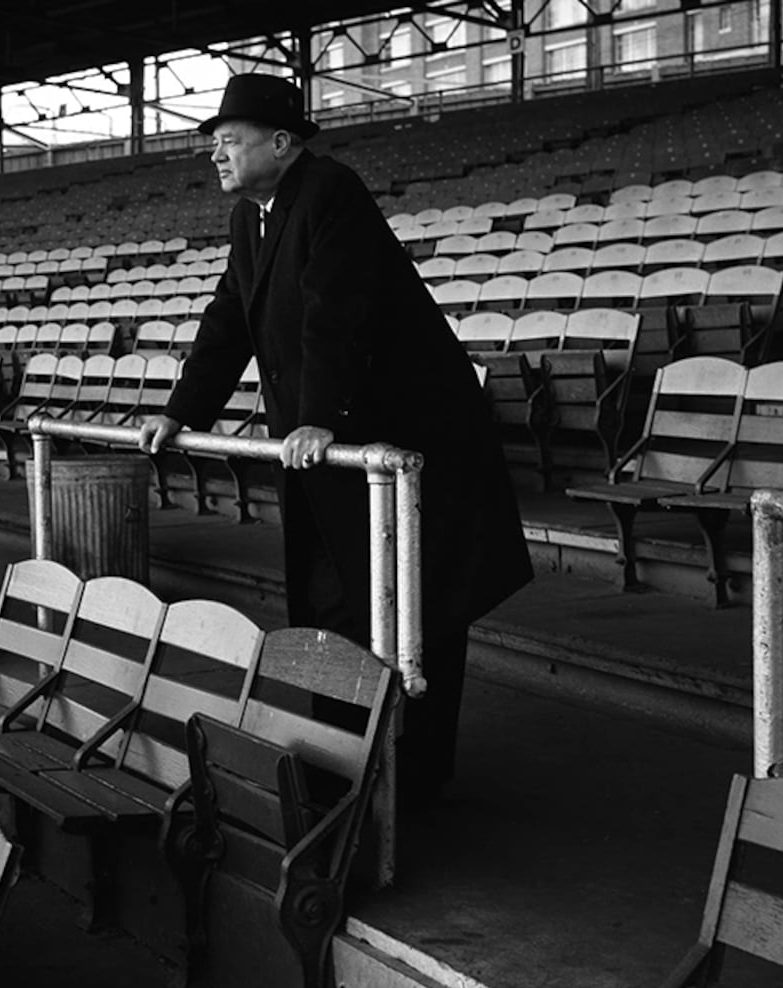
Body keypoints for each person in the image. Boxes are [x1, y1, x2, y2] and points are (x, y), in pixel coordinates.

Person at [137, 72, 532, 807]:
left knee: (412, 610)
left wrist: (318, 414)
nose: (215, 156)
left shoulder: (328, 192)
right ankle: (343, 772)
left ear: (282, 144)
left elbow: (336, 310)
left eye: (229, 142)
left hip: (404, 445)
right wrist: (181, 411)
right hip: (334, 449)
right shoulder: (252, 217)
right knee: (330, 607)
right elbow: (229, 321)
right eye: (213, 145)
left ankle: (407, 786)